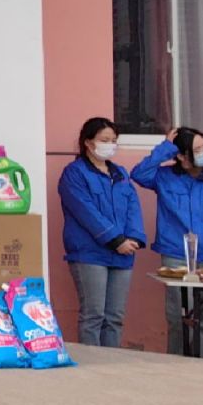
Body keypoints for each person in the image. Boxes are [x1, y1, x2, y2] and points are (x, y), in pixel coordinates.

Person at [130, 126, 203, 358]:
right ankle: (176, 367)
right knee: (178, 317)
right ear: (181, 155)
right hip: (176, 255)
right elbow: (139, 174)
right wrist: (165, 148)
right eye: (197, 149)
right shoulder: (165, 177)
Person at [57, 117, 145, 347]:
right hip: (90, 253)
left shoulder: (120, 174)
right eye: (105, 140)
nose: (110, 145)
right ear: (88, 142)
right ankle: (94, 362)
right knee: (93, 315)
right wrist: (115, 239)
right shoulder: (74, 173)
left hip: (123, 253)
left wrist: (134, 238)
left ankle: (112, 361)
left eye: (114, 140)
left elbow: (133, 207)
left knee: (115, 317)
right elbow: (86, 211)